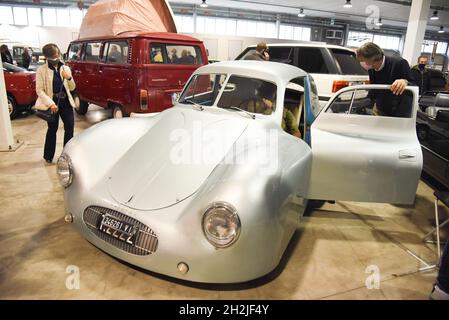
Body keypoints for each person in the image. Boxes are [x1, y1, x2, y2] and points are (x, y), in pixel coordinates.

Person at [36, 43, 77, 163]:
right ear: (47, 57)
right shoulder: (41, 71)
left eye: (57, 54)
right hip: (52, 103)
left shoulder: (65, 67)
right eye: (54, 55)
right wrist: (51, 104)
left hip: (66, 102)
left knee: (69, 127)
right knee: (52, 129)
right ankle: (48, 156)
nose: (56, 57)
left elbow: (73, 87)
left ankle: (67, 155)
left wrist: (69, 78)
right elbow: (39, 90)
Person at [356, 42, 414, 116]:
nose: (362, 63)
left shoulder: (399, 63)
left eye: (363, 61)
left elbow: (415, 85)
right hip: (380, 108)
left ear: (373, 58)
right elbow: (374, 89)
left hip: (398, 112)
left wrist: (405, 81)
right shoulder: (371, 68)